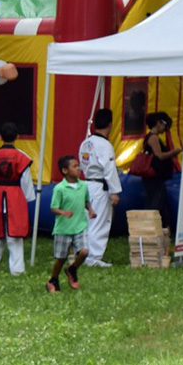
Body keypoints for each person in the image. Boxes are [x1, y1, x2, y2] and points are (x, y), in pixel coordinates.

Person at [0, 122, 34, 274]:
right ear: (17, 137)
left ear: (0, 137)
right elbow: (26, 180)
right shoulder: (22, 157)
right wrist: (26, 197)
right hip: (15, 195)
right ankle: (17, 269)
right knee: (15, 234)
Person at [79, 108, 122, 267]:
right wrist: (114, 191)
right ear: (110, 125)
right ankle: (94, 257)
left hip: (86, 183)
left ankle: (83, 253)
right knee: (99, 221)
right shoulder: (105, 145)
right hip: (99, 186)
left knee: (87, 221)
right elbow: (109, 169)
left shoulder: (85, 142)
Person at [47, 155, 95, 293]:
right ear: (65, 170)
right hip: (63, 228)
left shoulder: (83, 185)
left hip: (80, 226)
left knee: (84, 252)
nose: (78, 168)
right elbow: (53, 208)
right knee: (61, 258)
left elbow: (86, 201)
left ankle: (72, 269)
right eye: (74, 166)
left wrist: (91, 210)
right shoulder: (60, 188)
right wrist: (62, 213)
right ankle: (53, 280)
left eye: (78, 165)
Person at [141, 112, 181, 232]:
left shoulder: (151, 137)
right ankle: (150, 230)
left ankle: (165, 228)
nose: (164, 129)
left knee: (161, 204)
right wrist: (174, 152)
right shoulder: (153, 138)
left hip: (156, 178)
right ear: (158, 123)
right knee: (155, 204)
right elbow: (159, 155)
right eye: (164, 125)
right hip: (154, 178)